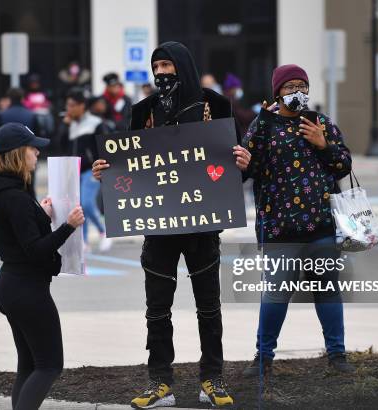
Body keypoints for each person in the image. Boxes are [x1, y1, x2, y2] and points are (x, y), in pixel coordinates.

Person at [92, 41, 251, 409]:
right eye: (157, 66)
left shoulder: (217, 105)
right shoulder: (143, 111)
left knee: (209, 307)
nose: (162, 72)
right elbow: (129, 167)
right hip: (159, 228)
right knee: (157, 310)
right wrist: (107, 172)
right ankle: (159, 382)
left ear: (184, 65)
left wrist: (244, 164)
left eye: (168, 65)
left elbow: (233, 171)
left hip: (203, 228)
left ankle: (212, 378)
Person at [242, 64, 355, 378]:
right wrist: (254, 139)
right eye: (290, 87)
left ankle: (337, 355)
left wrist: (323, 144)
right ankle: (263, 358)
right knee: (276, 293)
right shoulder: (262, 124)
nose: (297, 92)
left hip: (321, 226)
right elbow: (244, 169)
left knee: (328, 290)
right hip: (279, 229)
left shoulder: (321, 123)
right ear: (277, 91)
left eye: (301, 86)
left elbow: (343, 165)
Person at [0, 122, 85, 410]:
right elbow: (35, 250)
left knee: (29, 365)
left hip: (11, 285)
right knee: (50, 365)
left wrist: (41, 214)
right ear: (18, 153)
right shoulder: (14, 197)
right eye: (32, 147)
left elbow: (20, 234)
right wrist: (68, 226)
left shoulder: (6, 191)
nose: (37, 152)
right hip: (25, 289)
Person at [61, 89, 112, 252]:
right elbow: (58, 144)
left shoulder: (95, 123)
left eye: (72, 105)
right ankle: (84, 241)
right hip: (73, 171)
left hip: (91, 170)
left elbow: (105, 145)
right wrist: (65, 126)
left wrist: (102, 167)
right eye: (67, 105)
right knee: (78, 206)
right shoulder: (70, 124)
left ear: (82, 106)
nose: (69, 109)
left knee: (87, 203)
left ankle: (103, 231)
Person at [0, 88, 39, 198]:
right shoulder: (31, 114)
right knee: (29, 185)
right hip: (28, 154)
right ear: (22, 98)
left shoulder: (2, 115)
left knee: (10, 185)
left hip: (8, 156)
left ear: (9, 99)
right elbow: (36, 136)